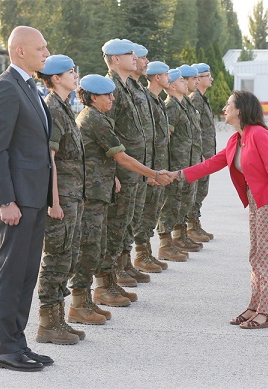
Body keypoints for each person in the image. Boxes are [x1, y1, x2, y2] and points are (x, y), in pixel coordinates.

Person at [172, 90, 268, 329]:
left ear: (241, 110)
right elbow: (213, 163)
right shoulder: (237, 138)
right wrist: (178, 175)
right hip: (255, 201)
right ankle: (255, 306)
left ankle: (267, 313)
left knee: (266, 257)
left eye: (229, 105)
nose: (224, 108)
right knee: (256, 255)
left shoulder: (260, 135)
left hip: (267, 203)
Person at [0, 26, 53, 372]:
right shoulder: (6, 88)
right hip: (17, 200)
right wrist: (4, 200)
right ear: (20, 51)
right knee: (12, 274)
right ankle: (3, 349)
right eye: (41, 48)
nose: (46, 53)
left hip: (34, 198)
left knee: (26, 274)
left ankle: (17, 342)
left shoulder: (30, 87)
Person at [70, 74, 172, 314]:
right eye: (108, 95)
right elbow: (121, 157)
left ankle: (100, 290)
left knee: (101, 242)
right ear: (94, 97)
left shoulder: (96, 116)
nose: (112, 99)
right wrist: (154, 173)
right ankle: (83, 300)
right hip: (92, 192)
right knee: (91, 246)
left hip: (101, 189)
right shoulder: (94, 119)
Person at [33, 55, 85, 345]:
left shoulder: (65, 107)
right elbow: (50, 159)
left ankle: (59, 319)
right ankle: (47, 324)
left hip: (72, 196)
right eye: (70, 72)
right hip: (61, 199)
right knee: (55, 258)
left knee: (67, 256)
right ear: (55, 79)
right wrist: (53, 202)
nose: (75, 75)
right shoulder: (53, 108)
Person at [101, 39, 147, 297]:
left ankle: (120, 269)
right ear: (115, 59)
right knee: (115, 226)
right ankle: (107, 282)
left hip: (134, 170)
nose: (135, 57)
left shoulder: (126, 86)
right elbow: (106, 133)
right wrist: (114, 173)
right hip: (123, 170)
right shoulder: (110, 89)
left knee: (127, 223)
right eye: (129, 54)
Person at [129, 49, 170, 274]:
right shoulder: (144, 97)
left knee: (151, 210)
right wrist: (150, 171)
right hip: (144, 167)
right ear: (156, 77)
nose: (170, 79)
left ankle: (144, 253)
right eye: (165, 75)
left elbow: (158, 138)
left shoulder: (154, 100)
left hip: (154, 166)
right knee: (140, 214)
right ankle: (139, 255)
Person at [157, 69, 193, 262]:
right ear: (171, 86)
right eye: (181, 80)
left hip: (184, 164)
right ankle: (165, 244)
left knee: (179, 201)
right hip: (174, 164)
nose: (186, 83)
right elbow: (166, 138)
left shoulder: (181, 104)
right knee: (170, 203)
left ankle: (175, 238)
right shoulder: (171, 106)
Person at [174, 64, 204, 253]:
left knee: (187, 199)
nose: (196, 82)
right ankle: (170, 241)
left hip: (190, 159)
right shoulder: (173, 105)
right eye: (191, 79)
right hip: (178, 162)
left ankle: (182, 233)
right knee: (174, 202)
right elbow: (167, 138)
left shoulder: (187, 103)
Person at [187, 62, 216, 242]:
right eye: (207, 75)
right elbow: (194, 129)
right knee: (196, 190)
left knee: (202, 189)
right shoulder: (195, 98)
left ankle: (194, 222)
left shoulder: (202, 98)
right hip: (201, 153)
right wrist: (200, 153)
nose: (211, 78)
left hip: (206, 152)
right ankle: (191, 225)